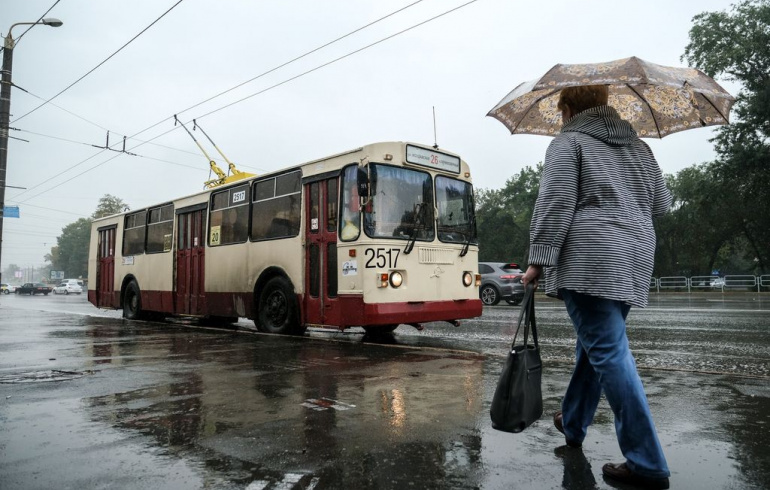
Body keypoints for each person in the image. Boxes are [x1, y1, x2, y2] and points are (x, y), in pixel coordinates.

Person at [521, 85, 672, 489]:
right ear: (606, 104)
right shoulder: (640, 147)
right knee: (597, 348)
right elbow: (662, 204)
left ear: (568, 108)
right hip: (635, 254)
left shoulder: (568, 141)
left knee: (608, 350)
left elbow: (554, 202)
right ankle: (573, 423)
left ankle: (647, 462)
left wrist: (537, 261)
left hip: (591, 256)